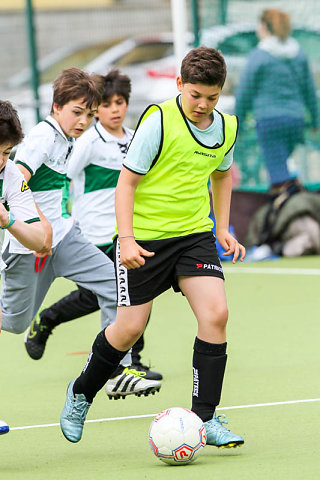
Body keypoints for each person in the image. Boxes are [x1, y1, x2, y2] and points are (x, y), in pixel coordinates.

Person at [60, 46, 246, 448]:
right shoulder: (158, 121)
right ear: (179, 84)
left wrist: (223, 228)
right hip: (144, 239)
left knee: (216, 314)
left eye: (211, 97)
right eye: (195, 95)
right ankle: (81, 393)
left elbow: (222, 176)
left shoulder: (226, 127)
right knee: (128, 329)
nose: (202, 105)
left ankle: (205, 419)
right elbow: (126, 184)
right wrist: (125, 239)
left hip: (194, 236)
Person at [1, 67, 161, 399]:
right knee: (15, 323)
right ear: (56, 106)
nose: (83, 121)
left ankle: (116, 372)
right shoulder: (43, 137)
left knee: (118, 288)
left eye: (89, 114)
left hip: (66, 239)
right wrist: (39, 223)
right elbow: (16, 179)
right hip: (29, 249)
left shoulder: (69, 139)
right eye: (77, 112)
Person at [0, 100, 47, 433]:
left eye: (6, 152)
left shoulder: (11, 175)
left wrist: (7, 219)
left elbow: (39, 240)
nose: (1, 161)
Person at [235, 8, 319, 192]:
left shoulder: (259, 56)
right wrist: (315, 119)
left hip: (269, 122)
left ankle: (289, 205)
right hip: (295, 122)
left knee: (278, 177)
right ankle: (294, 193)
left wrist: (237, 124)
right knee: (284, 165)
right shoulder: (298, 53)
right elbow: (309, 91)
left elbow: (244, 92)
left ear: (264, 27)